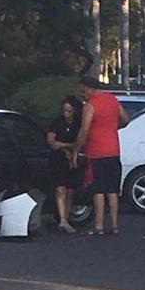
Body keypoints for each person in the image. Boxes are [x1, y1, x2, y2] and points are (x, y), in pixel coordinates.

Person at [75, 75, 130, 236]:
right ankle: (114, 225)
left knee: (98, 189)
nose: (82, 94)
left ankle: (98, 225)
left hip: (97, 151)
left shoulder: (90, 105)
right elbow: (126, 119)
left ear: (89, 88)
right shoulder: (112, 100)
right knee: (112, 189)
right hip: (114, 150)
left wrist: (77, 149)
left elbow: (84, 129)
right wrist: (113, 128)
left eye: (83, 91)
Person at [47, 96, 84, 234]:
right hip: (58, 158)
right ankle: (62, 220)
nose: (66, 113)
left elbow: (80, 142)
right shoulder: (57, 122)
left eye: (69, 110)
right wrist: (66, 147)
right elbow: (51, 141)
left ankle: (66, 218)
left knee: (70, 190)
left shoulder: (79, 124)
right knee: (60, 188)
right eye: (64, 110)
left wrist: (64, 145)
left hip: (73, 158)